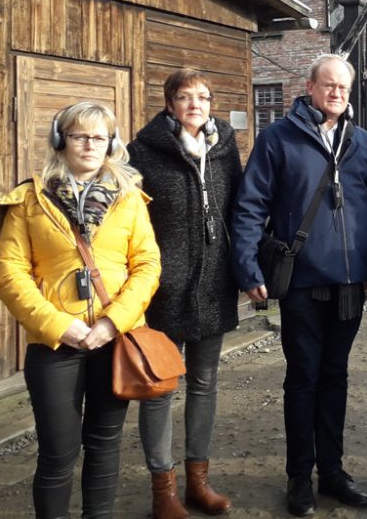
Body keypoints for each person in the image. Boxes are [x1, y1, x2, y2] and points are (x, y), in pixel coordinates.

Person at [230, 54, 367, 517]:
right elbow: (250, 205)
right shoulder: (278, 138)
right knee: (303, 378)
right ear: (310, 87)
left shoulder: (361, 142)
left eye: (344, 88)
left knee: (335, 377)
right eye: (329, 86)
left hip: (351, 285)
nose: (337, 94)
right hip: (300, 282)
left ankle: (333, 472)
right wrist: (248, 269)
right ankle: (299, 476)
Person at [0, 101, 161, 519]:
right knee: (57, 452)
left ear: (111, 144)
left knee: (105, 445)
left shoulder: (130, 199)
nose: (89, 144)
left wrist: (111, 322)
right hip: (54, 346)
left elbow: (148, 265)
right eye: (79, 135)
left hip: (114, 340)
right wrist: (58, 324)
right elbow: (10, 272)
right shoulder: (29, 199)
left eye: (99, 137)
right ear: (60, 140)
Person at [128, 69, 243, 519]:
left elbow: (242, 209)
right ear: (169, 104)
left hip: (214, 287)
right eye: (184, 97)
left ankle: (199, 483)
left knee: (204, 383)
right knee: (158, 388)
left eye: (202, 97)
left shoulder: (226, 149)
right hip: (161, 291)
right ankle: (163, 491)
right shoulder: (143, 152)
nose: (195, 104)